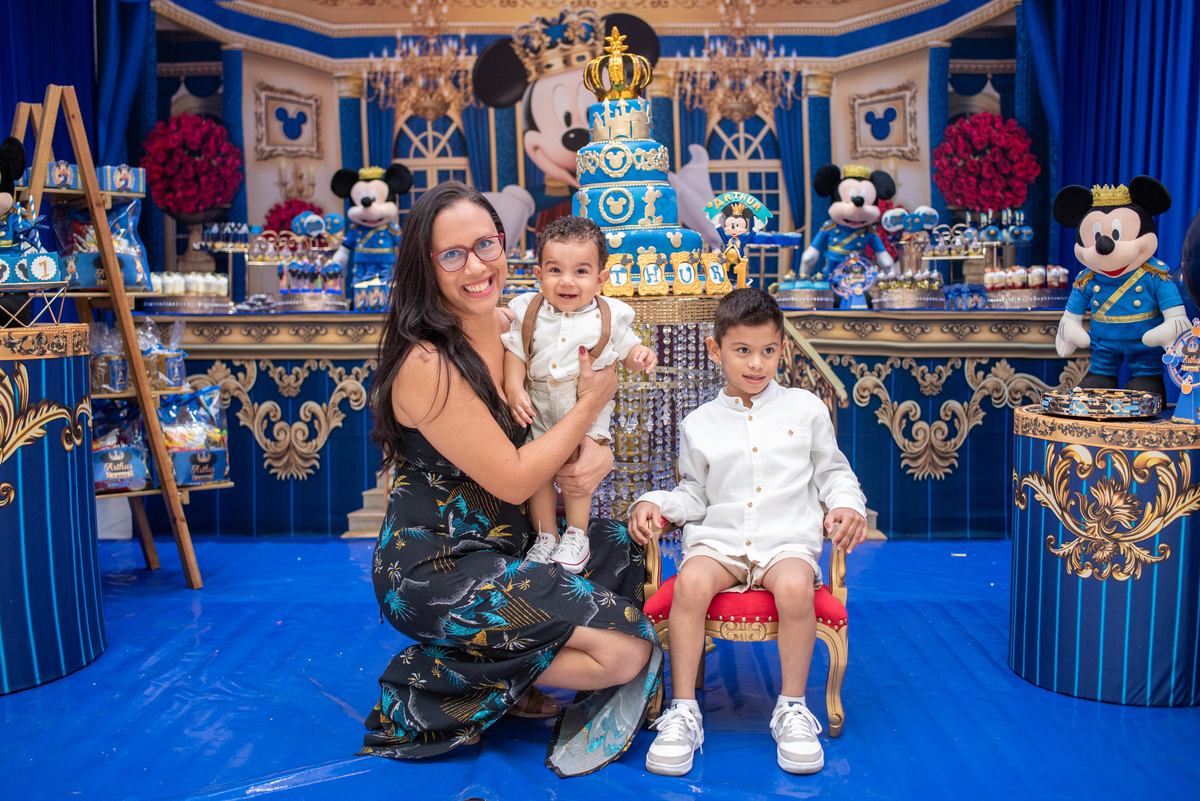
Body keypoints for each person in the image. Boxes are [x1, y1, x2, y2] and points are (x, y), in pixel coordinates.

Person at [361, 181, 661, 777]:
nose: (476, 266)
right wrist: (591, 403)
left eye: (486, 245)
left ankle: (500, 666)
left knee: (619, 546)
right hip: (438, 569)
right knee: (628, 652)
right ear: (426, 268)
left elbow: (561, 440)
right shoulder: (427, 363)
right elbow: (518, 478)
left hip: (517, 545)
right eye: (452, 254)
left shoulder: (520, 323)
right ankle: (427, 677)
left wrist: (593, 459)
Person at [628, 288, 868, 777]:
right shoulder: (700, 423)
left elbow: (834, 474)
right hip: (720, 541)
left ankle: (793, 708)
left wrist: (847, 504)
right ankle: (684, 711)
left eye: (768, 351)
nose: (756, 364)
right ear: (715, 350)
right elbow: (695, 493)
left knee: (798, 585)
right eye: (742, 350)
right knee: (692, 582)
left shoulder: (806, 409)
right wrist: (655, 501)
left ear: (782, 348)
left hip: (784, 542)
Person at [501, 216, 657, 573]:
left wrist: (640, 357)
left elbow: (628, 349)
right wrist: (513, 388)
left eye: (581, 272)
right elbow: (515, 352)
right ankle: (544, 536)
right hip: (537, 402)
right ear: (538, 275)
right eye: (555, 270)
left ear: (601, 279)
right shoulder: (528, 309)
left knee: (575, 470)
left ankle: (576, 534)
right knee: (537, 471)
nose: (567, 281)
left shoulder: (611, 314)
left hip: (581, 403)